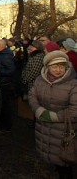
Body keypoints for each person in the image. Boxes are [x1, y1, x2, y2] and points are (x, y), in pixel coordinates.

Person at [29, 50, 77, 179]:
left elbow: (75, 110)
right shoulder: (40, 80)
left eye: (62, 66)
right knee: (51, 157)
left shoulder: (73, 84)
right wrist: (38, 110)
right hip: (44, 128)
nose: (58, 70)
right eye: (54, 66)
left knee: (65, 162)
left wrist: (51, 116)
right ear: (47, 67)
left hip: (64, 131)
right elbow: (32, 96)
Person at [0, 39, 16, 133]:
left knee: (5, 106)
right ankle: (1, 124)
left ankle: (6, 126)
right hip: (0, 83)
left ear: (1, 46)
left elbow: (11, 71)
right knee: (1, 105)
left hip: (5, 84)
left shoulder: (5, 56)